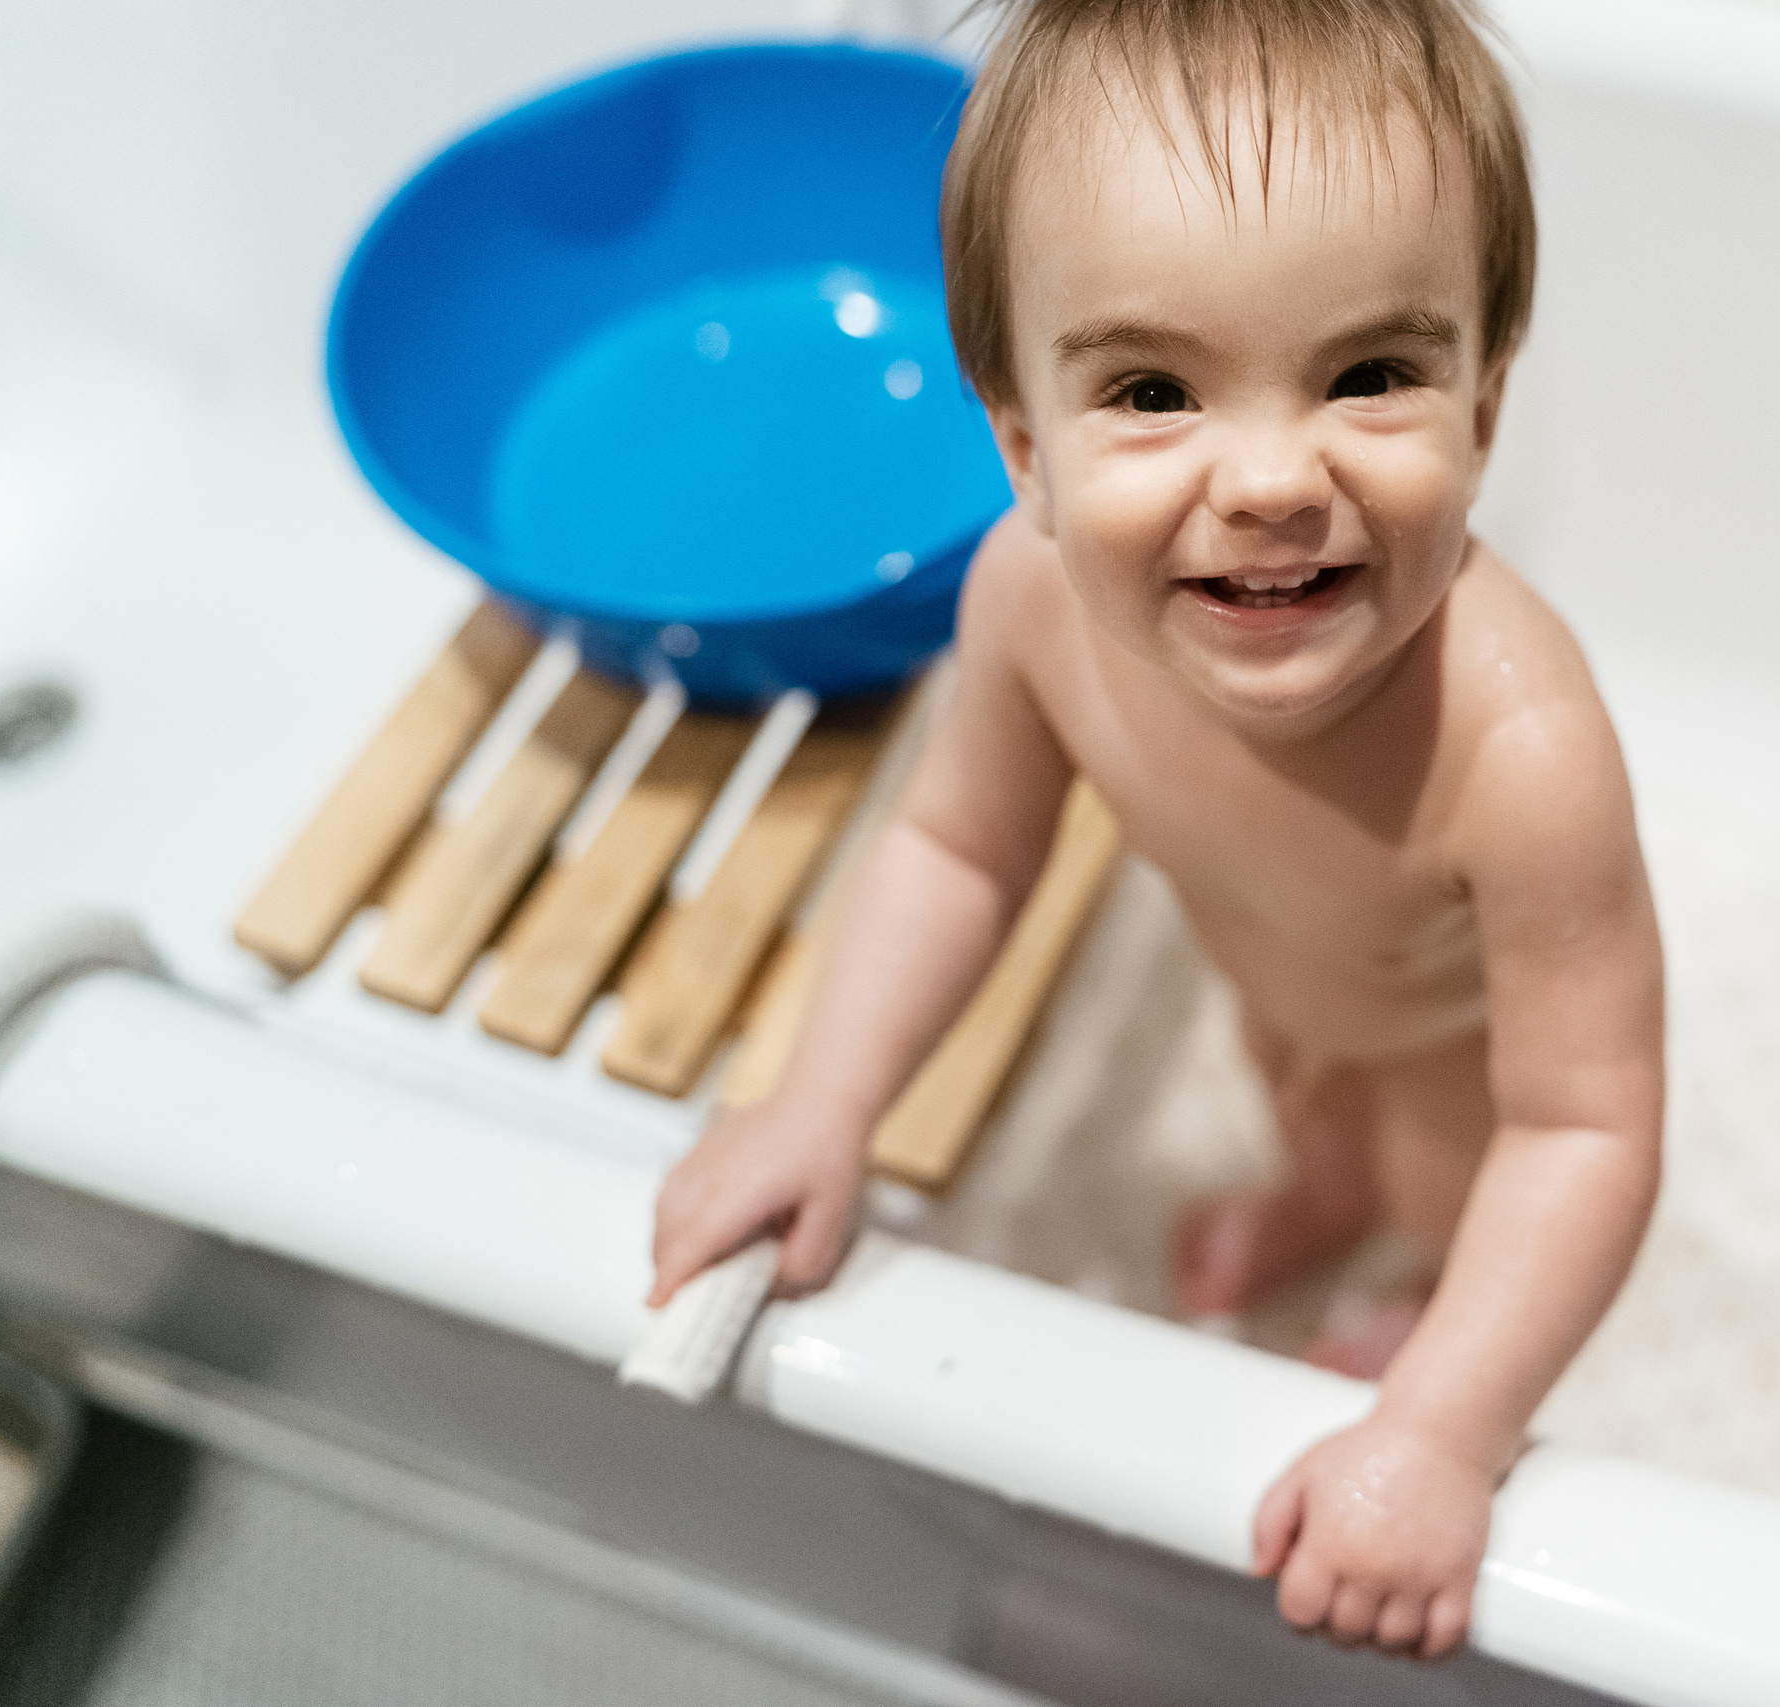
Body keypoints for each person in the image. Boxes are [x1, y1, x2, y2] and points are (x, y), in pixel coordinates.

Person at [649, 0, 1663, 1661]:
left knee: (1435, 1176)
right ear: (1025, 445)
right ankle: (1328, 1205)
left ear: (1485, 406)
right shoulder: (1031, 603)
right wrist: (819, 1101)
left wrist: (1440, 1431)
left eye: (1371, 375)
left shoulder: (1520, 746)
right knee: (1302, 1113)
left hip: (1462, 1069)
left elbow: (1589, 1136)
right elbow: (958, 853)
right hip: (1284, 998)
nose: (1269, 478)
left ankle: (1420, 1302)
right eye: (1151, 389)